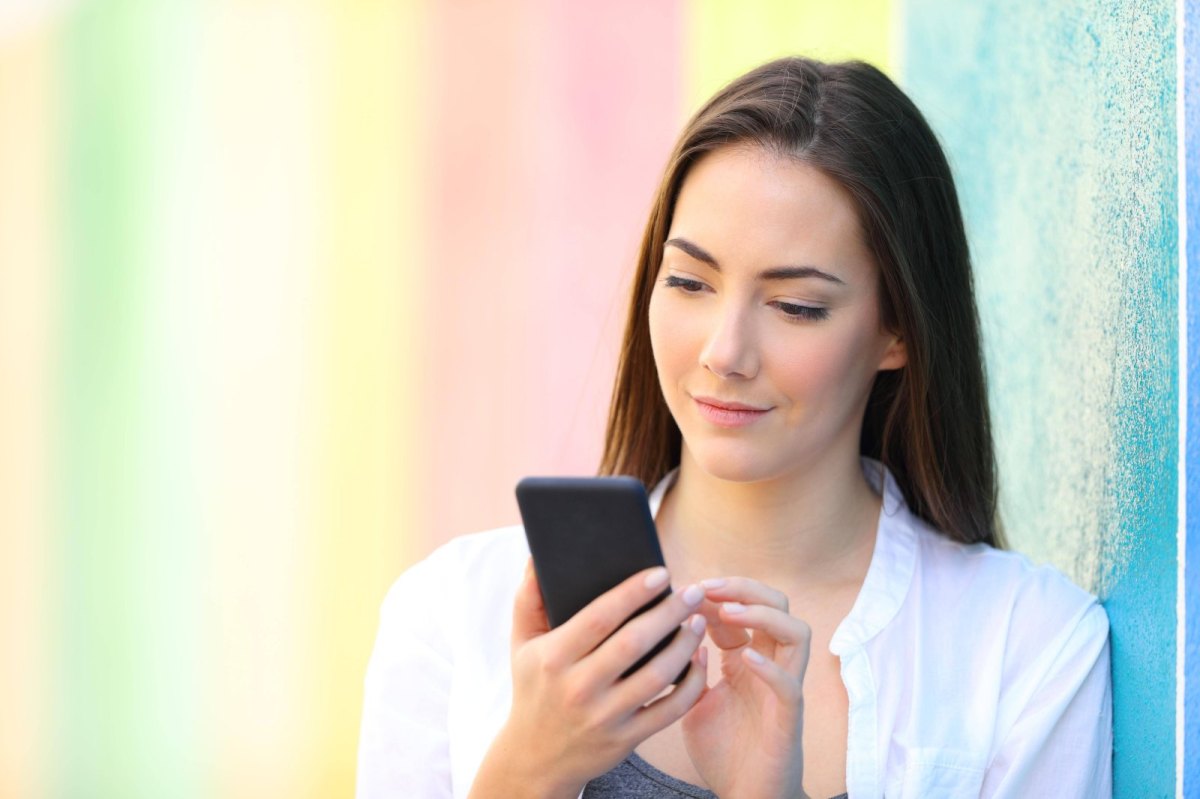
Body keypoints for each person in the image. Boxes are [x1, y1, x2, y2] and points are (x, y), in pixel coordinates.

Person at [355, 56, 1112, 799]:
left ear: (899, 329)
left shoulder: (1029, 648)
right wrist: (527, 772)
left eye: (796, 306)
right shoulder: (450, 610)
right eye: (688, 282)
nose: (724, 352)